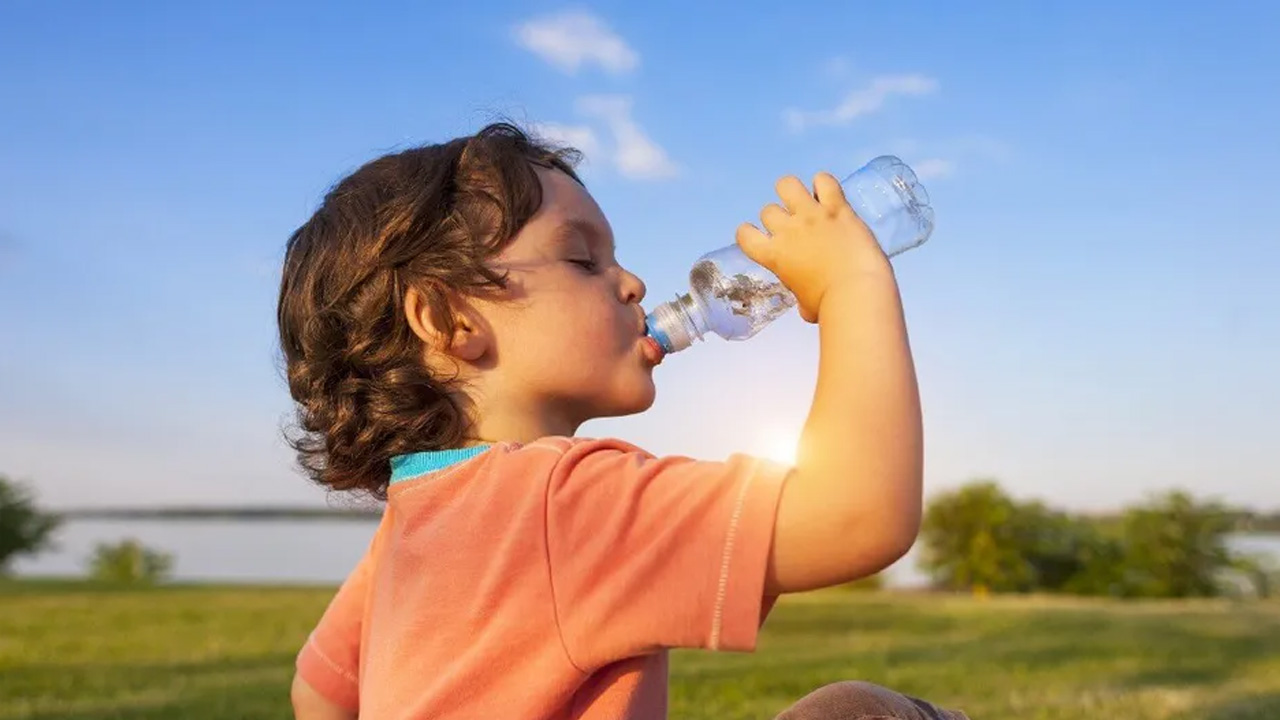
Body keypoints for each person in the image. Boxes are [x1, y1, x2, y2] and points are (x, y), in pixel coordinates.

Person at [278, 123, 968, 719]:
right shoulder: (560, 505)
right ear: (449, 320)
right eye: (582, 259)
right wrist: (853, 283)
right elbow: (858, 516)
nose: (632, 282)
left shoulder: (413, 524)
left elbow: (320, 694)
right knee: (859, 713)